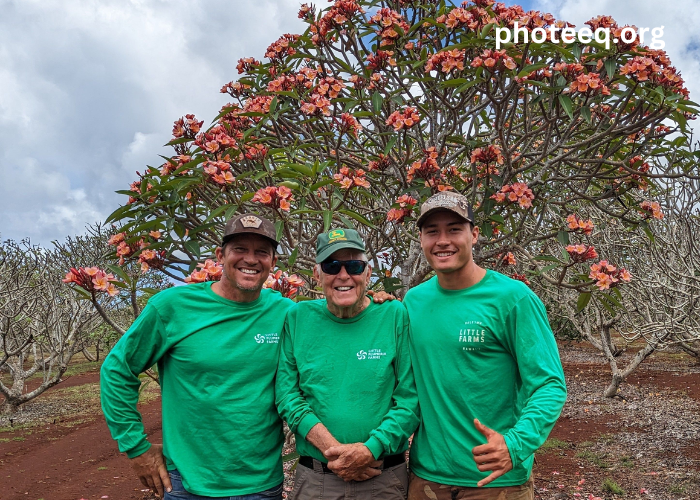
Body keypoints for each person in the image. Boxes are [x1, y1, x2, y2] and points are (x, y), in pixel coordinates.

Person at [403, 192, 567, 500]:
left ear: (474, 234)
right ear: (421, 239)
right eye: (432, 231)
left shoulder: (513, 299)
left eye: (454, 229)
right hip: (427, 479)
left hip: (496, 481)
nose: (442, 241)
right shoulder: (414, 301)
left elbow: (549, 384)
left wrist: (515, 445)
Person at [276, 228, 419, 500]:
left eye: (354, 265)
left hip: (383, 479)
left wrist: (369, 450)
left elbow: (410, 399)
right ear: (317, 275)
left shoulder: (393, 315)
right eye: (332, 265)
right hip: (317, 482)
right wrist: (336, 453)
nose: (343, 275)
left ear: (367, 273)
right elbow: (287, 395)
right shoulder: (298, 318)